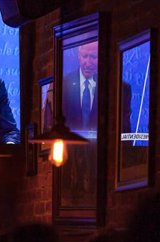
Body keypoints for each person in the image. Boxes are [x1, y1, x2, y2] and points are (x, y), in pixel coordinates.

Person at [60, 41, 99, 207]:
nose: (88, 62)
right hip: (71, 157)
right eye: (85, 56)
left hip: (96, 157)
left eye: (93, 57)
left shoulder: (113, 86)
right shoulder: (64, 85)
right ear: (78, 56)